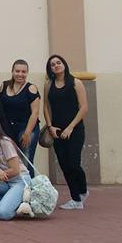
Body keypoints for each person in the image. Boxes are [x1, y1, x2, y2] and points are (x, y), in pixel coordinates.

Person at [43, 54, 89, 210]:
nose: (56, 65)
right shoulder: (49, 84)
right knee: (64, 165)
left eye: (58, 62)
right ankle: (76, 199)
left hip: (75, 130)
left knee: (74, 163)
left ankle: (83, 190)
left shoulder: (76, 83)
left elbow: (84, 108)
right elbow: (46, 107)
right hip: (57, 131)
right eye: (52, 64)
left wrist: (70, 127)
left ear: (64, 64)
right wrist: (50, 126)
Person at [0, 59, 41, 173]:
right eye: (17, 71)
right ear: (12, 72)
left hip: (27, 129)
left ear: (27, 73)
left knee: (25, 161)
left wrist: (27, 133)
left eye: (23, 72)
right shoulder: (4, 85)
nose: (20, 74)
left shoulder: (31, 88)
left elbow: (35, 113)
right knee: (10, 161)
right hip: (9, 129)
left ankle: (29, 189)